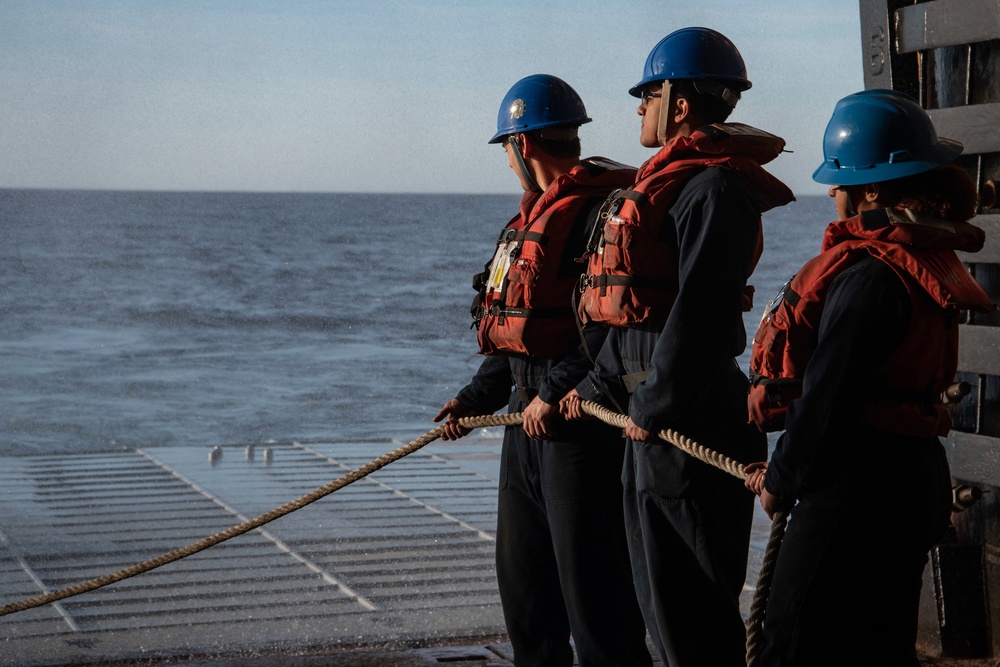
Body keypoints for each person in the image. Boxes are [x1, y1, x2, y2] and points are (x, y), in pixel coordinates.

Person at [560, 27, 794, 666]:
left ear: (679, 103)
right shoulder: (673, 187)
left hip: (692, 419)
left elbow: (699, 318)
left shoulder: (714, 192)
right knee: (658, 604)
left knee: (690, 613)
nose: (637, 106)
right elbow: (643, 322)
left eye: (646, 93)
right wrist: (594, 388)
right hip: (653, 419)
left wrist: (654, 405)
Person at [744, 89, 996, 665]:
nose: (831, 191)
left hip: (858, 483)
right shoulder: (921, 264)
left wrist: (781, 477)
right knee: (879, 644)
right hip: (913, 477)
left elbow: (829, 397)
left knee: (792, 638)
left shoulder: (870, 278)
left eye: (839, 178)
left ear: (873, 188)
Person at [433, 74, 652, 667]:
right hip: (521, 431)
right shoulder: (529, 222)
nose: (508, 163)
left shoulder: (595, 217)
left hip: (577, 430)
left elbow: (610, 328)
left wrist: (555, 393)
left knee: (595, 603)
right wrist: (472, 400)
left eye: (507, 151)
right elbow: (516, 338)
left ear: (522, 146)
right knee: (526, 595)